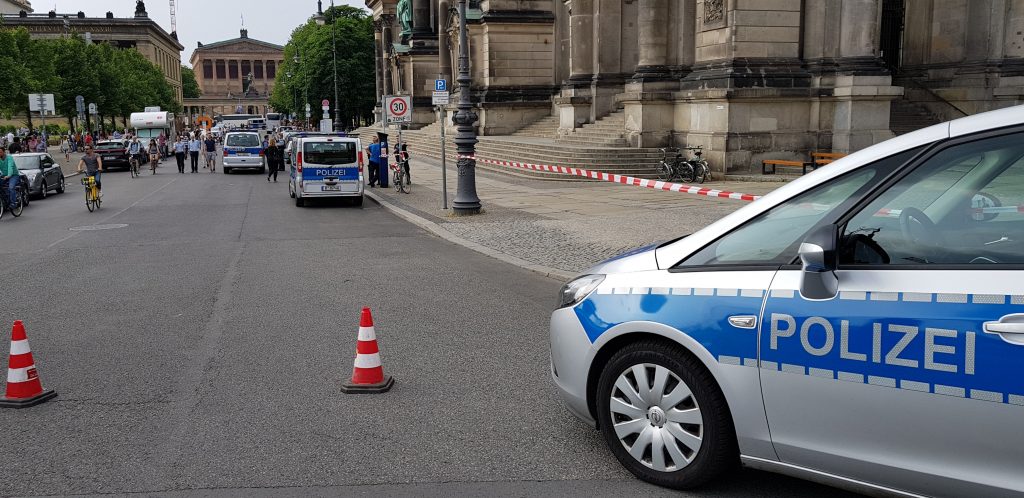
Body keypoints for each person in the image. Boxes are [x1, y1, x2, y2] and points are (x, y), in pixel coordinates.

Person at [0, 146, 19, 211]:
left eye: (0, 152)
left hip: (13, 175)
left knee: (11, 187)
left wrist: (8, 175)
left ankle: (13, 203)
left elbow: (10, 167)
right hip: (4, 176)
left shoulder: (9, 157)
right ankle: (4, 199)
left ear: (4, 152)